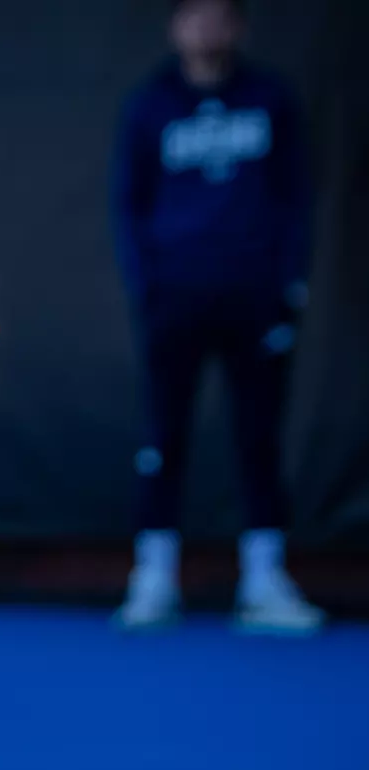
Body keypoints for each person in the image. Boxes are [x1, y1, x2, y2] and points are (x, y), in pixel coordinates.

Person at [111, 0, 322, 634]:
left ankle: (264, 582)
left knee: (259, 439)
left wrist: (288, 288)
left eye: (220, 14)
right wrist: (148, 289)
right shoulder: (149, 105)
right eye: (194, 13)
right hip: (174, 301)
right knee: (161, 439)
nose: (207, 26)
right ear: (176, 26)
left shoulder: (271, 99)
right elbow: (129, 204)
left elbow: (297, 199)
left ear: (239, 26)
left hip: (256, 301)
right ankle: (152, 579)